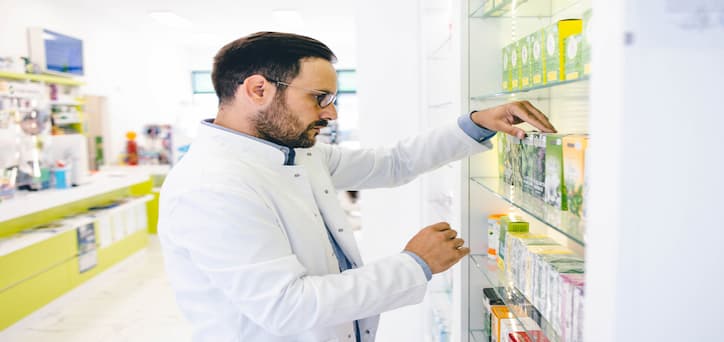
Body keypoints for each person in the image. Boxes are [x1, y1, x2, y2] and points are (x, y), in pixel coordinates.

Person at [157, 31, 556, 342]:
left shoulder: (294, 153)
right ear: (258, 89)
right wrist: (414, 264)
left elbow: (391, 163)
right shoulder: (213, 187)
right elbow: (286, 306)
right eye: (320, 97)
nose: (330, 113)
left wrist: (478, 123)